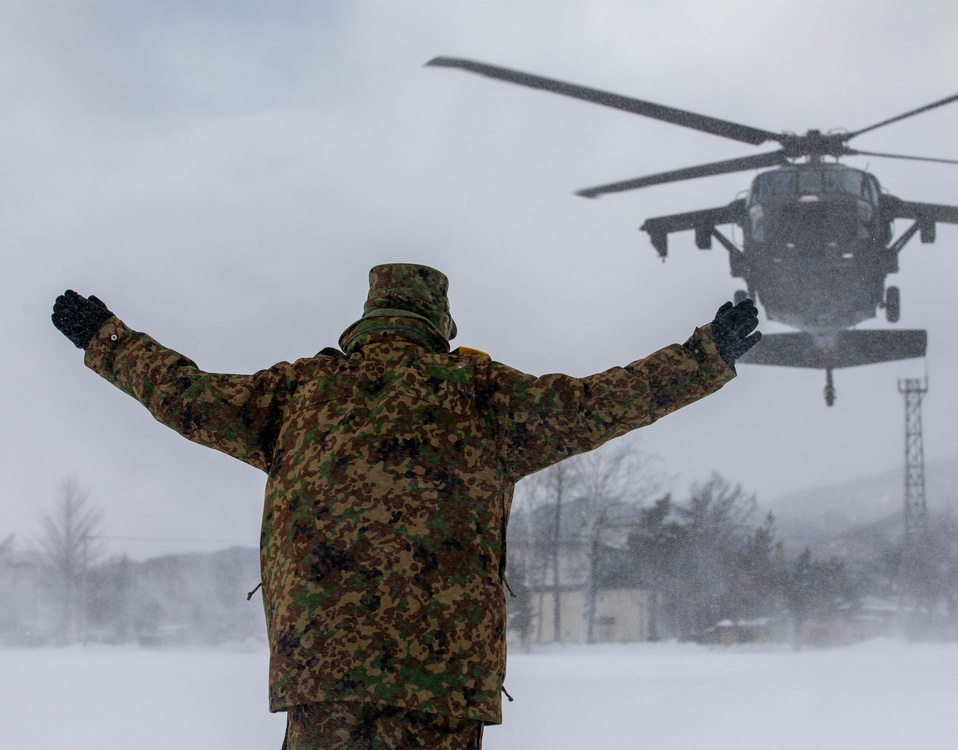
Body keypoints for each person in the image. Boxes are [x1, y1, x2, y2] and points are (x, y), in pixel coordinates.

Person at [51, 264, 760, 749]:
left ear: (370, 317)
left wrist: (105, 338)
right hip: (443, 682)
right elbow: (603, 402)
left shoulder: (300, 393)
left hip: (324, 673)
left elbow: (186, 394)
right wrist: (705, 356)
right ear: (438, 322)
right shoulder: (481, 395)